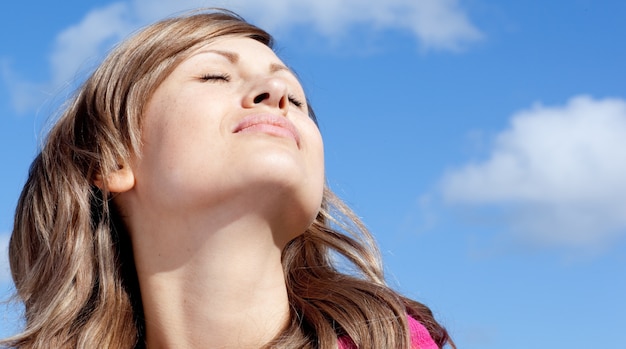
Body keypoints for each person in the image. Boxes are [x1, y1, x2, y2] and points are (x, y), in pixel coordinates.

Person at [2, 9, 454, 349]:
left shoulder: (388, 338)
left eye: (296, 100)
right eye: (215, 75)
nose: (276, 94)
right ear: (115, 160)